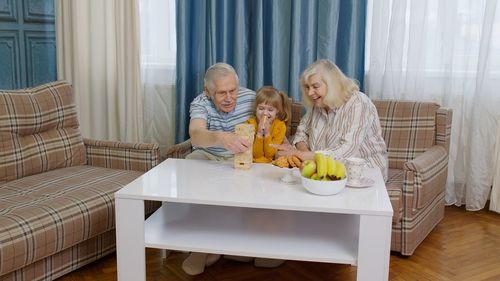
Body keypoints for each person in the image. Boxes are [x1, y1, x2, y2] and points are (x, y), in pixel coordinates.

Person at [182, 62, 255, 275]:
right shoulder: (200, 103)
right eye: (221, 93)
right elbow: (195, 134)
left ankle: (226, 245)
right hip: (209, 156)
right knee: (191, 164)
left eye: (233, 91)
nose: (229, 97)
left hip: (241, 160)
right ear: (208, 91)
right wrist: (220, 138)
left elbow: (274, 116)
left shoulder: (250, 99)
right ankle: (202, 246)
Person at [273, 59, 388, 180]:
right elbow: (301, 134)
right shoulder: (318, 104)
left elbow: (347, 150)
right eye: (307, 87)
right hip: (324, 168)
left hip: (365, 171)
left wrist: (301, 154)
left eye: (315, 86)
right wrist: (306, 158)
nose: (310, 92)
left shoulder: (359, 103)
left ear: (333, 84)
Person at [245, 86, 290, 163]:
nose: (265, 113)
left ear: (277, 111)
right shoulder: (249, 124)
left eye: (270, 110)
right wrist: (259, 134)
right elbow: (255, 155)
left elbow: (270, 154)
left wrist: (267, 134)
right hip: (252, 164)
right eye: (261, 108)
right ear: (256, 108)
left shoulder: (280, 126)